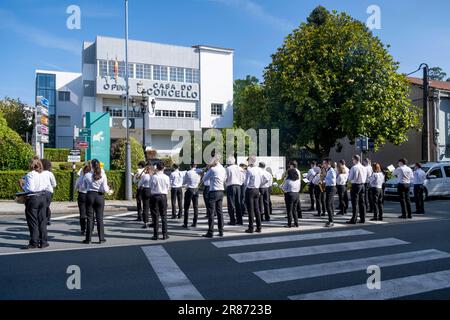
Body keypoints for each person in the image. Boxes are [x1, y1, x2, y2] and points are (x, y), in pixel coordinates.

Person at [20, 158, 48, 249]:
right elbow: (46, 186)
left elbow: (31, 188)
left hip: (33, 198)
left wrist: (22, 187)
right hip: (43, 197)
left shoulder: (30, 174)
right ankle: (43, 242)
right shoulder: (43, 174)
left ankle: (34, 242)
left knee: (33, 221)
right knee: (42, 220)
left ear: (31, 165)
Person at [83, 159, 110, 244]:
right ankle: (101, 239)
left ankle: (88, 239)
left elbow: (84, 187)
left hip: (90, 195)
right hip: (99, 196)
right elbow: (105, 189)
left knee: (90, 218)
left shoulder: (87, 175)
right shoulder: (103, 175)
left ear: (91, 166)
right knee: (100, 218)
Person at [202, 157, 227, 238]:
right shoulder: (223, 169)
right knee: (220, 212)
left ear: (214, 162)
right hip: (221, 191)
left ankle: (210, 232)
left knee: (211, 213)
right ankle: (221, 231)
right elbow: (224, 179)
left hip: (213, 192)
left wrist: (208, 169)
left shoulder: (213, 169)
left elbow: (204, 179)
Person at [150, 162, 171, 240]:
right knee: (164, 216)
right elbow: (168, 187)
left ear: (157, 168)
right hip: (163, 196)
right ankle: (165, 234)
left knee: (155, 216)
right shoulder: (166, 177)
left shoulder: (154, 177)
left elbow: (151, 186)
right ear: (163, 168)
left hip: (155, 196)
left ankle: (156, 235)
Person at [244, 156, 264, 234]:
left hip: (250, 190)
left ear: (251, 161)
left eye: (248, 161)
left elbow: (246, 182)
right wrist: (259, 184)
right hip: (257, 189)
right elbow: (265, 179)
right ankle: (259, 227)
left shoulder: (250, 170)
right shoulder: (260, 169)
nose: (247, 162)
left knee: (250, 210)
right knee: (257, 209)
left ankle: (251, 228)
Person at [347, 155, 367, 224]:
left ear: (355, 160)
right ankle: (363, 218)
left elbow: (350, 178)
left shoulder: (354, 167)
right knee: (362, 203)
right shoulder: (364, 167)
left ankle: (354, 219)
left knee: (355, 203)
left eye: (353, 159)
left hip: (355, 185)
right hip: (362, 185)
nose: (352, 161)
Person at [225, 156, 243, 225]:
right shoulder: (239, 168)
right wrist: (240, 183)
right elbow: (243, 177)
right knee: (238, 203)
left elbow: (225, 178)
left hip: (231, 186)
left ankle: (232, 220)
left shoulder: (227, 169)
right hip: (238, 186)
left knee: (231, 204)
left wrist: (226, 184)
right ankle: (240, 220)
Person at [182, 162, 201, 228]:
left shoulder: (188, 172)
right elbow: (199, 181)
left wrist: (185, 184)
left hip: (190, 189)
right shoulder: (198, 172)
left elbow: (184, 182)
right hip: (196, 189)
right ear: (196, 165)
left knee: (186, 207)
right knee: (195, 207)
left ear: (190, 165)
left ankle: (185, 223)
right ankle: (194, 222)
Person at [40, 159, 57, 226]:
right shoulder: (50, 174)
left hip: (40, 192)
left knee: (42, 207)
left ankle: (43, 219)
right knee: (47, 206)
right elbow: (54, 184)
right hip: (49, 192)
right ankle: (48, 219)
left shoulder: (39, 173)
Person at [75, 164, 91, 235]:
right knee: (90, 213)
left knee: (82, 213)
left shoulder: (80, 178)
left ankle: (82, 229)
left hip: (81, 195)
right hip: (89, 195)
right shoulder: (92, 178)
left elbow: (76, 187)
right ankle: (90, 228)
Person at [323, 159, 337, 228]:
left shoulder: (331, 170)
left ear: (328, 163)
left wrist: (324, 179)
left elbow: (332, 181)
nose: (323, 165)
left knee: (328, 204)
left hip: (331, 188)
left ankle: (331, 221)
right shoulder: (328, 170)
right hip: (329, 188)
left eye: (324, 163)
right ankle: (331, 219)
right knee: (330, 204)